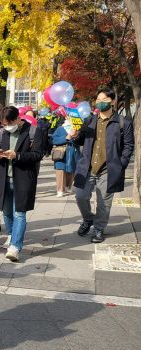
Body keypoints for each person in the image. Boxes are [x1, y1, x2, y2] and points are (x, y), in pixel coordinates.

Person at [68, 88, 134, 243]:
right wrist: (74, 136)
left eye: (103, 100)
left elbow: (129, 146)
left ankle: (98, 229)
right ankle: (88, 219)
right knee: (80, 196)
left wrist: (120, 165)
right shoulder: (90, 121)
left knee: (104, 203)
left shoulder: (123, 122)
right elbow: (80, 140)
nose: (100, 103)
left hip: (108, 170)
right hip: (87, 168)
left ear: (112, 101)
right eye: (98, 100)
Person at [0, 106, 44, 262]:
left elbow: (37, 155)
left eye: (9, 123)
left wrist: (18, 155)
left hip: (23, 179)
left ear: (17, 119)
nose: (6, 127)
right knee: (6, 212)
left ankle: (15, 247)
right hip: (4, 178)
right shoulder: (1, 132)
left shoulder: (33, 131)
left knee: (19, 213)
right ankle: (11, 234)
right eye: (3, 124)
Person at [51, 123, 80, 197]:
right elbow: (53, 140)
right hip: (60, 154)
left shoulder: (76, 128)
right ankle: (60, 190)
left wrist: (76, 136)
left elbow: (80, 141)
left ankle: (68, 186)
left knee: (71, 170)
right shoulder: (60, 129)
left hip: (72, 152)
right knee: (60, 171)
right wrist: (66, 137)